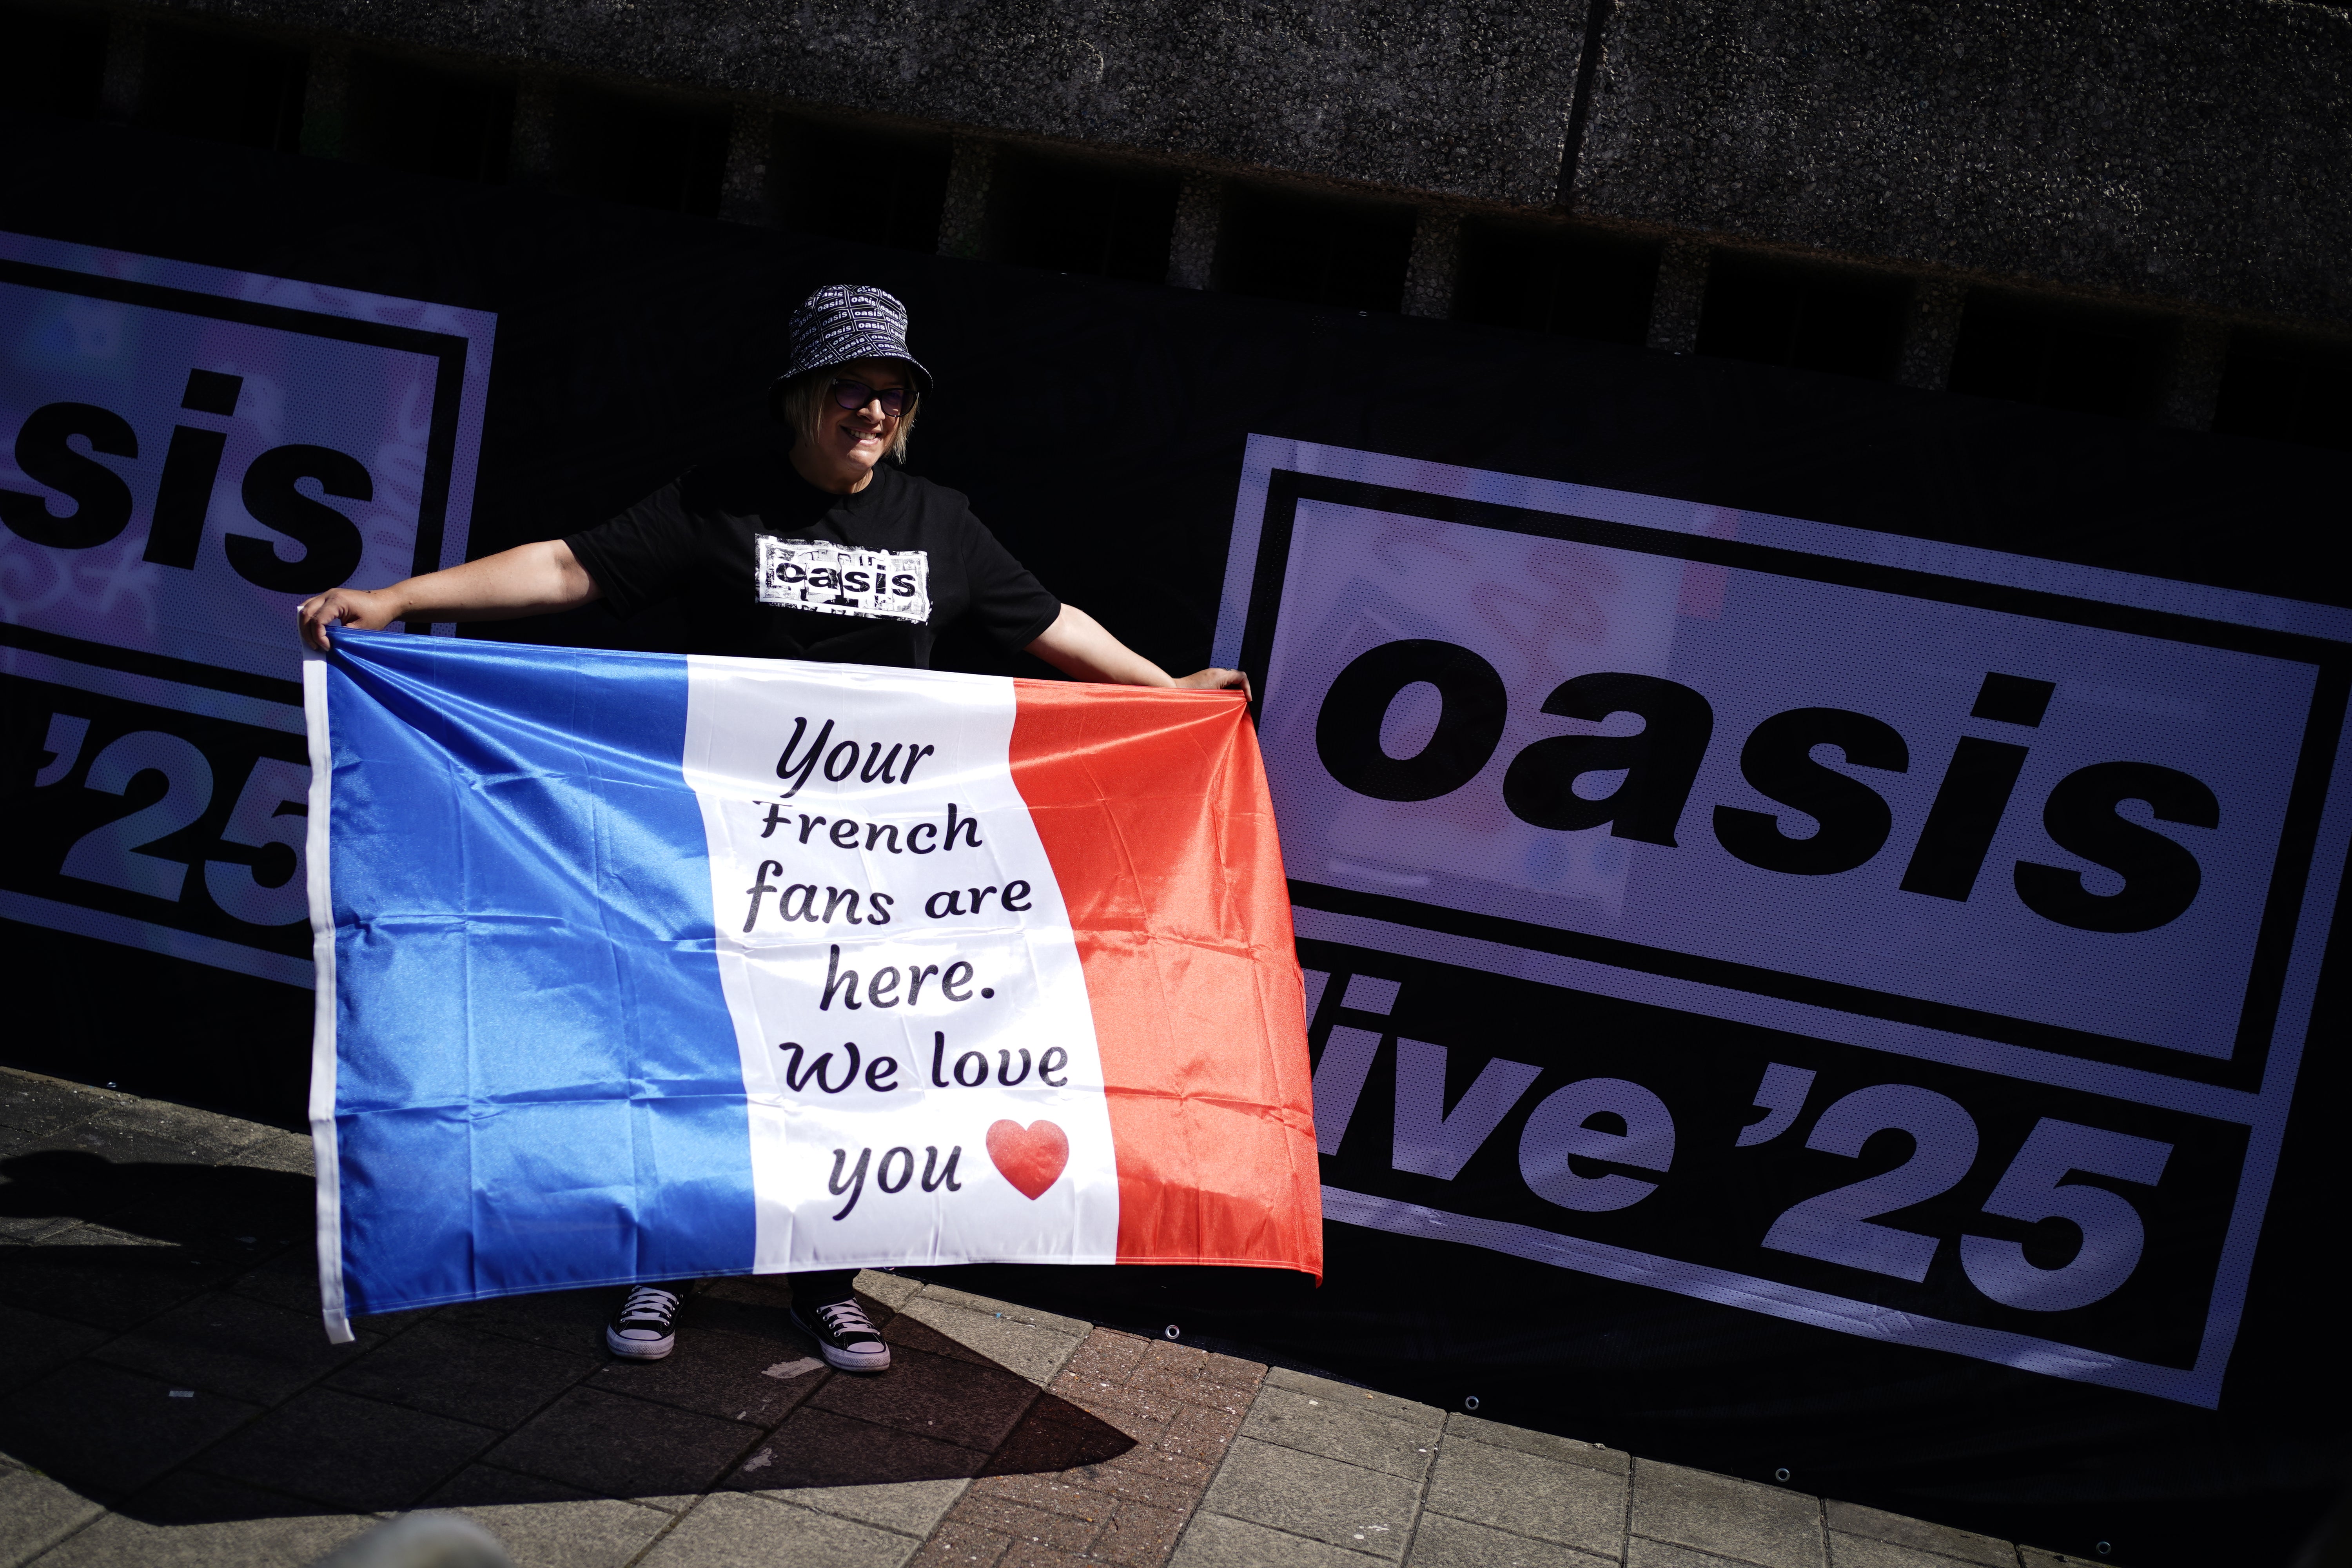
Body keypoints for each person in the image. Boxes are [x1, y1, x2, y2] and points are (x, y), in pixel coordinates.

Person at [297, 284, 1247, 1373]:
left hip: (880, 869)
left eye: (894, 395)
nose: (875, 413)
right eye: (854, 389)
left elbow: (1048, 625)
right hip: (723, 850)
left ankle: (826, 1283)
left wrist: (1164, 693)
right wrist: (402, 601)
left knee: (848, 1064)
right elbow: (570, 567)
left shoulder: (940, 520)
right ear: (802, 397)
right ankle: (666, 1262)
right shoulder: (720, 502)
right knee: (704, 1053)